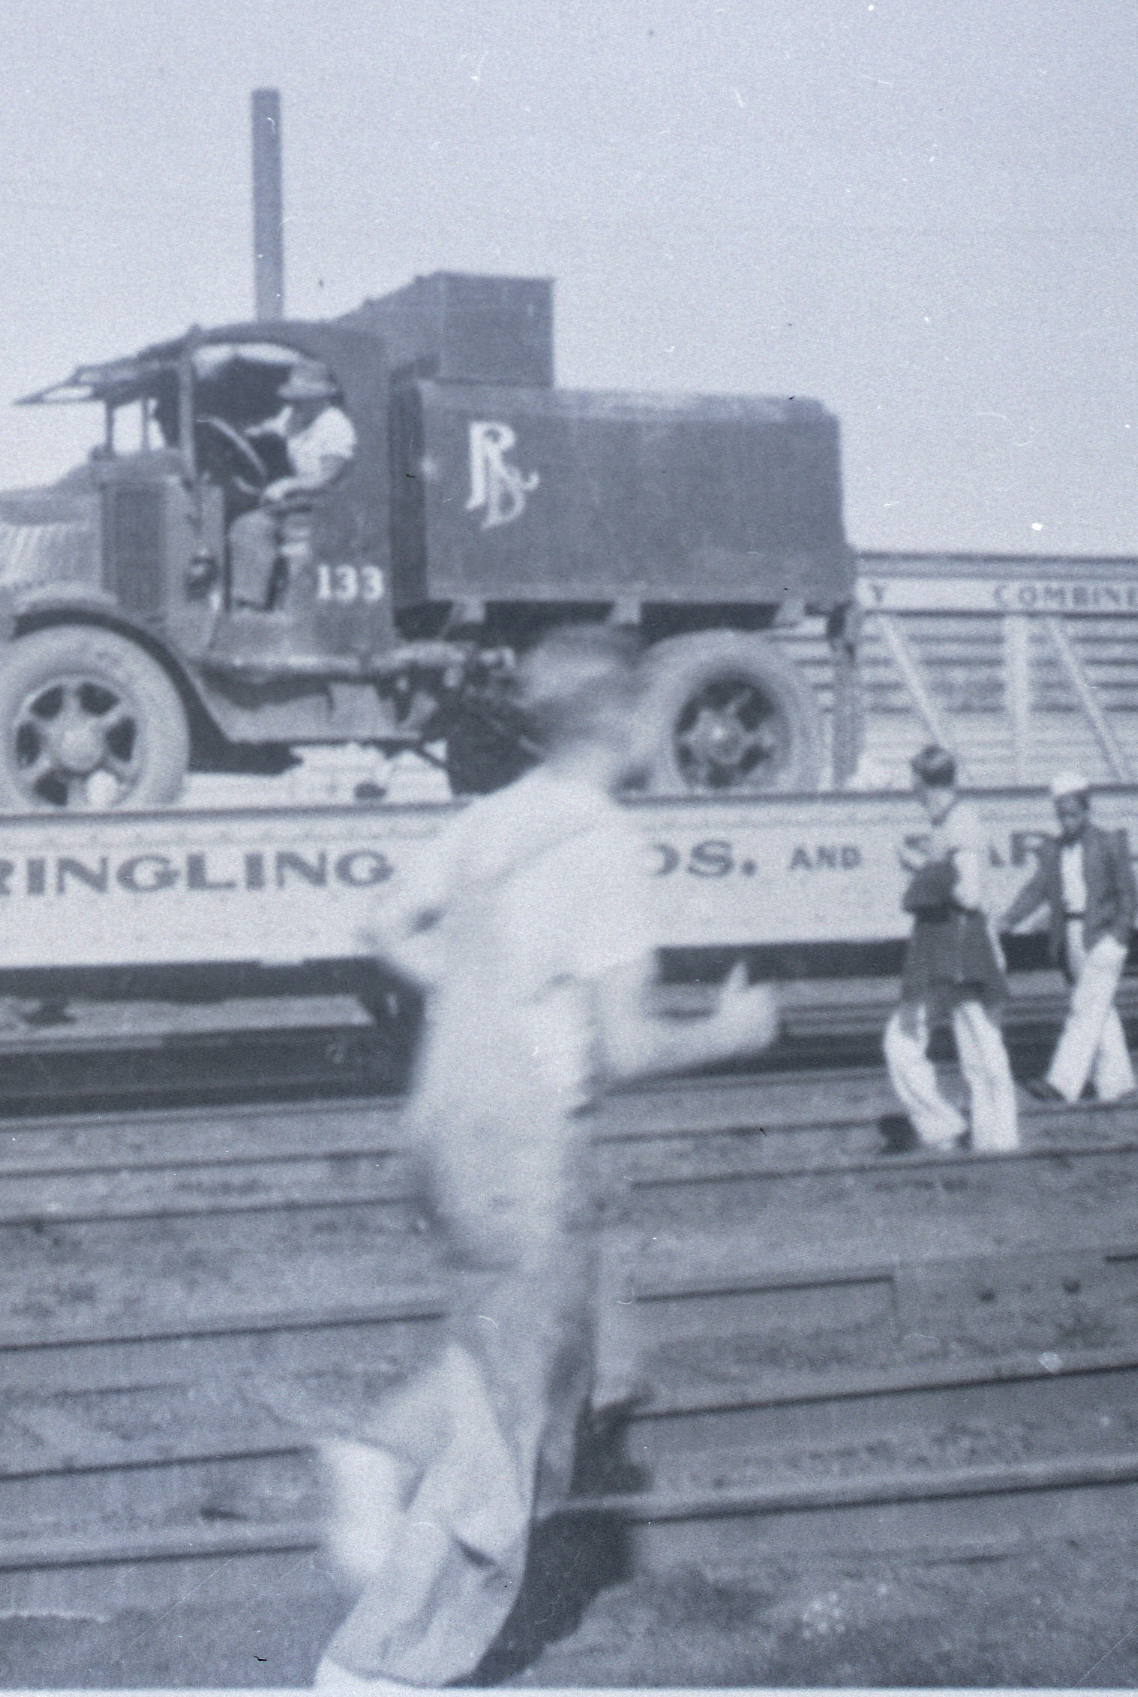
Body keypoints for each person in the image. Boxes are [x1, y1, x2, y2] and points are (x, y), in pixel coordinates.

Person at [315, 627, 778, 1692]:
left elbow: (381, 921)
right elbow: (628, 1046)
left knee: (557, 1359)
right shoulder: (602, 838)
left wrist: (480, 995)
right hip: (526, 1144)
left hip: (444, 1124)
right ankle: (374, 1667)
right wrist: (732, 1030)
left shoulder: (492, 818)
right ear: (619, 719)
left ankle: (379, 1452)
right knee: (508, 1440)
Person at [879, 745, 1018, 1155]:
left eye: (913, 780)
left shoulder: (962, 823)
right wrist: (924, 864)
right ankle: (962, 1131)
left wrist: (920, 868)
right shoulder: (947, 822)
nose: (911, 787)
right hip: (943, 949)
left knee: (979, 1051)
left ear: (922, 782)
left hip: (963, 949)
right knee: (932, 1045)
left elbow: (970, 894)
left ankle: (992, 1140)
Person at [1001, 769, 1138, 1104]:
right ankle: (1117, 1083)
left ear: (1087, 812)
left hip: (1102, 937)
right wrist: (1007, 920)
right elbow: (1037, 890)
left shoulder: (1109, 843)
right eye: (1061, 816)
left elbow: (1129, 897)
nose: (1067, 822)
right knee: (1099, 1010)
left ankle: (1062, 1084)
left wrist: (1118, 937)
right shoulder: (1054, 850)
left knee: (1084, 1009)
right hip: (1071, 936)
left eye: (1073, 815)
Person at [226, 360, 356, 610]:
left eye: (302, 399)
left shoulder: (335, 426)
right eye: (293, 398)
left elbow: (328, 476)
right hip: (297, 502)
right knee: (248, 526)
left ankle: (271, 610)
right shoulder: (293, 417)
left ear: (321, 398)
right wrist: (243, 433)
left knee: (267, 529)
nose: (294, 404)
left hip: (324, 504)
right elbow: (264, 431)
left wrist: (287, 485)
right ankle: (248, 603)